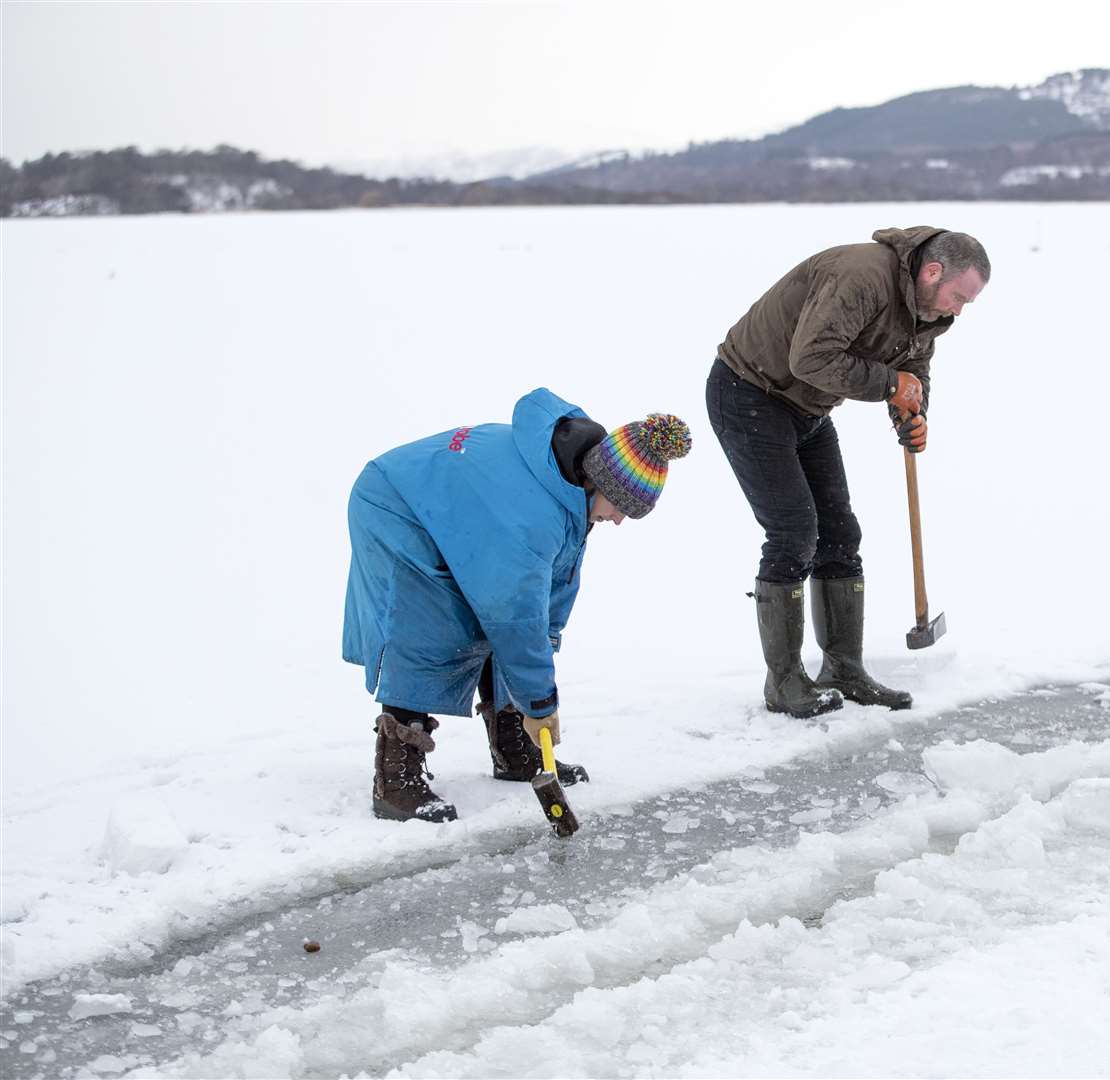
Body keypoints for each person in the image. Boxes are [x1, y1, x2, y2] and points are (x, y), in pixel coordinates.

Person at [342, 388, 691, 822]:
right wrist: (541, 705)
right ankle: (396, 777)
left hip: (446, 507)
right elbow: (513, 614)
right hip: (395, 505)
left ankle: (512, 745)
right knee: (433, 625)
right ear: (597, 483)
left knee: (497, 613)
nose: (619, 520)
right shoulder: (532, 512)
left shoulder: (567, 489)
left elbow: (543, 599)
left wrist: (534, 693)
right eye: (621, 508)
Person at [707, 227, 990, 718]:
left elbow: (913, 368)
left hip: (808, 407)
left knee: (839, 533)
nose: (958, 311)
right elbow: (811, 357)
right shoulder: (860, 277)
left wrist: (912, 413)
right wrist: (889, 384)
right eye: (958, 297)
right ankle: (784, 682)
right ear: (932, 271)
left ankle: (843, 668)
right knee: (794, 532)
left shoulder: (928, 309)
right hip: (749, 393)